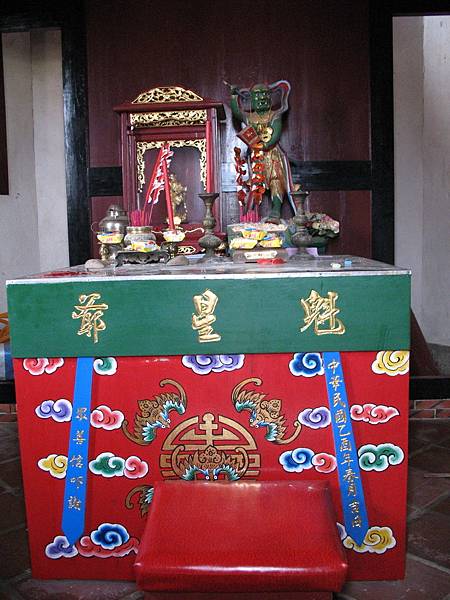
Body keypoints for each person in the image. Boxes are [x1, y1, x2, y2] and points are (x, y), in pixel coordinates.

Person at [228, 80, 295, 223]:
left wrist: (265, 145)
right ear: (252, 100)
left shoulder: (275, 115)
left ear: (270, 98)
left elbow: (275, 133)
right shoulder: (249, 117)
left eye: (264, 95)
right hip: (255, 155)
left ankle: (276, 211)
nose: (262, 99)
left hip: (272, 154)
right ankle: (251, 214)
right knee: (255, 183)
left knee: (276, 180)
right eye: (257, 96)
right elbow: (237, 112)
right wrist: (234, 96)